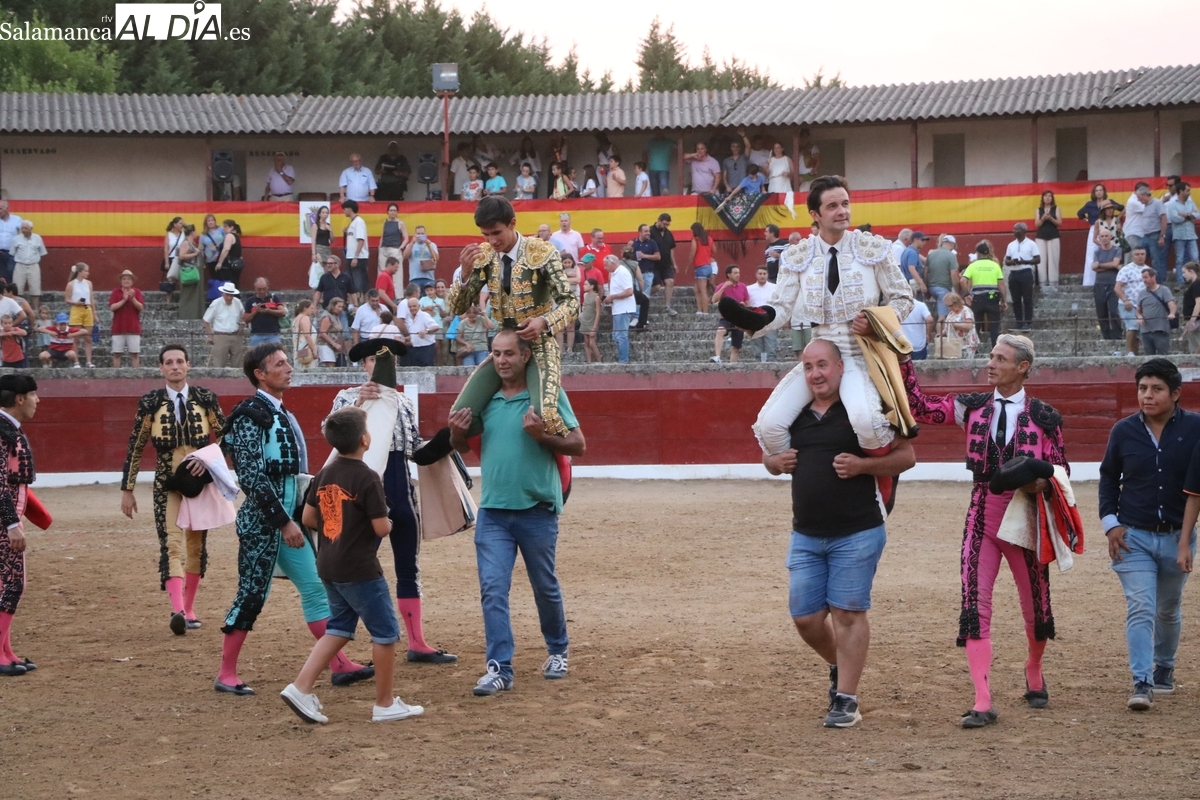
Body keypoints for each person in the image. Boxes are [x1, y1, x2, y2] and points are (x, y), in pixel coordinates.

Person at [902, 334, 1067, 728]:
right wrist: (904, 358)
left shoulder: (1046, 417)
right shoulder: (971, 407)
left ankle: (1033, 667)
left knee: (1036, 606)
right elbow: (918, 408)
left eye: (999, 358)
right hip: (982, 513)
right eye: (991, 356)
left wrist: (1039, 482)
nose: (989, 363)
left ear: (1022, 367)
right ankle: (982, 699)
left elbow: (1062, 474)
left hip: (1026, 518)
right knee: (975, 605)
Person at [765, 339, 915, 727]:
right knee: (805, 618)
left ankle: (846, 699)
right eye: (809, 367)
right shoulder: (794, 415)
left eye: (822, 365)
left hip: (858, 529)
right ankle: (840, 664)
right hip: (807, 533)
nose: (816, 374)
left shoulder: (862, 410)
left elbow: (907, 456)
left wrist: (864, 466)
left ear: (840, 367)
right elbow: (770, 458)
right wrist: (774, 462)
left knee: (848, 613)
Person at [217, 343, 372, 696]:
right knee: (252, 594)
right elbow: (252, 476)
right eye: (280, 364)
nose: (289, 368)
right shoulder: (248, 414)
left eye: (288, 362)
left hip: (289, 519)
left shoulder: (279, 411)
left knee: (316, 588)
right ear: (260, 373)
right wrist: (285, 522)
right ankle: (226, 673)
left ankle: (339, 663)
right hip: (262, 522)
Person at [720, 175, 914, 456]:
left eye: (845, 204)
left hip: (860, 353)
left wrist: (876, 321)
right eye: (833, 206)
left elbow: (903, 297)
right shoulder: (797, 256)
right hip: (818, 354)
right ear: (815, 214)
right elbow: (781, 307)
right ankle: (813, 471)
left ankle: (877, 478)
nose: (842, 211)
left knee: (868, 422)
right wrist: (755, 318)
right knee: (769, 427)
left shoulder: (873, 248)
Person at [447, 328, 586, 696]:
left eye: (509, 353)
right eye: (495, 353)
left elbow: (579, 443)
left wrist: (542, 436)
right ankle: (499, 668)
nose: (502, 360)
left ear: (526, 356)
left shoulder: (546, 397)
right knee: (492, 589)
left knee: (545, 586)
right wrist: (456, 434)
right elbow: (462, 447)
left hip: (537, 508)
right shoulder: (486, 401)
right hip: (493, 510)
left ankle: (557, 650)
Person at [281, 405, 424, 724]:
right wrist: (384, 517)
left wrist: (339, 528)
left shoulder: (324, 474)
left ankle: (300, 687)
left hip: (328, 564)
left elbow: (307, 518)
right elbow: (381, 528)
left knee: (339, 628)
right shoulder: (368, 478)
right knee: (385, 633)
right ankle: (385, 703)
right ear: (365, 440)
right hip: (359, 568)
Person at [328, 339, 459, 662]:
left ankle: (417, 643)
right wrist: (359, 403)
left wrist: (450, 437)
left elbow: (415, 449)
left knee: (408, 568)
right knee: (357, 565)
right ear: (364, 365)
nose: (380, 366)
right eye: (372, 360)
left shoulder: (403, 402)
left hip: (401, 491)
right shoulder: (346, 397)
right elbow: (333, 436)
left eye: (384, 361)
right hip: (361, 493)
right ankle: (341, 653)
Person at [1099, 358, 1200, 710]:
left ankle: (1165, 667)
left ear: (1175, 393)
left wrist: (1186, 542)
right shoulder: (1123, 431)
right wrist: (1110, 523)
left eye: (1156, 389)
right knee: (1141, 606)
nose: (1147, 396)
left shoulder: (1196, 428)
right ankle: (1141, 681)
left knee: (1168, 610)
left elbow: (1196, 490)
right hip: (1134, 536)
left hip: (1176, 536)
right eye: (1142, 388)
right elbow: (1109, 478)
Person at [120, 343, 226, 634]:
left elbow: (227, 435)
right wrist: (127, 489)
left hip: (200, 481)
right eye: (169, 362)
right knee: (172, 543)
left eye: (180, 361)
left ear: (188, 365)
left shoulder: (205, 398)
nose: (175, 366)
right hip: (167, 483)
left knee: (196, 545)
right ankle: (177, 609)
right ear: (161, 368)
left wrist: (209, 463)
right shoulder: (151, 403)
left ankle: (189, 609)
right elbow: (136, 446)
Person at [0, 375, 39, 676]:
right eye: (34, 395)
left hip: (9, 517)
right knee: (12, 584)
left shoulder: (8, 429)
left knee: (7, 584)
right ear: (20, 399)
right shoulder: (2, 432)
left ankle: (6, 650)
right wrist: (12, 523)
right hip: (4, 521)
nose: (38, 400)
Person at [1077, 183, 1123, 289]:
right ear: (1094, 193)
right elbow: (1080, 213)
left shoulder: (1109, 202)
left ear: (1104, 192)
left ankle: (1110, 279)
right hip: (1095, 229)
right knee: (1091, 255)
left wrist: (1118, 218)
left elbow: (1122, 208)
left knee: (1109, 254)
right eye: (1096, 190)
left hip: (1108, 229)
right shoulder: (1090, 204)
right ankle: (1089, 282)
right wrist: (1088, 220)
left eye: (1100, 190)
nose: (1098, 192)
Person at [961, 241, 1006, 348]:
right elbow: (1002, 285)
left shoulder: (973, 265)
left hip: (977, 298)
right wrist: (1004, 300)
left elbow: (962, 280)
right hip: (993, 298)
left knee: (976, 325)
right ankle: (995, 348)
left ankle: (974, 348)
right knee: (994, 325)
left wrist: (967, 294)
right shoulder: (995, 265)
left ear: (978, 253)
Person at [1124, 183, 1169, 283]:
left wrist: (1162, 236)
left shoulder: (1157, 203)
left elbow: (1164, 219)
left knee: (1156, 260)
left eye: (1139, 197)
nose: (1139, 200)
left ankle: (1159, 283)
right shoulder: (1144, 205)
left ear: (1145, 195)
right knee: (1139, 257)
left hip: (1155, 235)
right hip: (1145, 236)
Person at [1004, 223, 1041, 331]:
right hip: (1014, 273)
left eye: (1017, 229)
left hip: (1026, 272)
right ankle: (1018, 322)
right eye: (1014, 229)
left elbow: (1038, 259)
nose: (1014, 231)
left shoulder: (1031, 244)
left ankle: (1028, 322)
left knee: (1027, 298)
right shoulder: (1011, 245)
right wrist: (1012, 262)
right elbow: (1006, 260)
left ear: (1024, 231)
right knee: (1016, 300)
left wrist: (1025, 261)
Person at [1091, 228, 1124, 342]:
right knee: (1101, 313)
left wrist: (1100, 265)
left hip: (1113, 284)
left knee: (1114, 311)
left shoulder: (1117, 249)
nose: (1104, 238)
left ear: (1110, 237)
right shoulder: (1097, 251)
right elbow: (1094, 267)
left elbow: (1115, 263)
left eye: (1106, 236)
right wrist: (1111, 266)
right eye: (1102, 236)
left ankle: (1118, 336)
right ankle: (1107, 337)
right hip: (1099, 284)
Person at [202, 283, 246, 368]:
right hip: (220, 336)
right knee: (219, 364)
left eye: (231, 295)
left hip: (235, 335)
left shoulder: (237, 302)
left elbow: (243, 316)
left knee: (238, 364)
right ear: (222, 294)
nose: (229, 297)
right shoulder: (216, 303)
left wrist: (241, 327)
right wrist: (210, 336)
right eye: (227, 295)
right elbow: (206, 320)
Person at [1115, 249, 1149, 357]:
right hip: (1128, 303)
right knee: (1132, 326)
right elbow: (1117, 287)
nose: (1140, 256)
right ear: (1133, 256)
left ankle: (1135, 352)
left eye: (1142, 254)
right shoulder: (1126, 270)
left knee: (1139, 330)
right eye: (1137, 254)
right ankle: (1129, 352)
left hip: (1142, 305)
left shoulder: (1148, 270)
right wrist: (1125, 300)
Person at [711, 265, 749, 363]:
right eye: (735, 273)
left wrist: (743, 305)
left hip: (739, 319)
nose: (738, 275)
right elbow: (714, 300)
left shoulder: (743, 286)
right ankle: (717, 356)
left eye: (738, 273)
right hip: (726, 317)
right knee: (720, 331)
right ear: (728, 275)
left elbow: (747, 302)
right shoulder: (721, 286)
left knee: (736, 348)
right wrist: (723, 287)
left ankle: (733, 367)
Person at [603, 254, 636, 364]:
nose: (605, 268)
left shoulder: (622, 272)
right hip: (618, 308)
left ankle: (623, 360)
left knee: (621, 336)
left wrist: (612, 297)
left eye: (606, 265)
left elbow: (629, 291)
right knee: (617, 336)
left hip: (623, 309)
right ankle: (622, 359)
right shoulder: (614, 273)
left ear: (612, 263)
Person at [1136, 267, 1176, 356]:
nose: (1144, 280)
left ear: (1153, 277)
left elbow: (1171, 304)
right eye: (1143, 278)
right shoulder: (1142, 293)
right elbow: (1138, 310)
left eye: (1146, 277)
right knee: (1148, 357)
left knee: (1163, 355)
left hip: (1160, 329)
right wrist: (1139, 316)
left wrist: (1172, 313)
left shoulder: (1164, 290)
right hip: (1145, 330)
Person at [109, 269, 144, 368]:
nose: (126, 281)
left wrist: (133, 298)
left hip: (133, 327)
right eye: (124, 279)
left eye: (128, 279)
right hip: (118, 328)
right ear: (121, 281)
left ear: (132, 281)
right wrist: (124, 300)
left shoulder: (137, 292)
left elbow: (140, 307)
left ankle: (136, 375)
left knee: (135, 354)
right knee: (117, 354)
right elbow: (112, 307)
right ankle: (116, 376)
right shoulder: (116, 292)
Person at [1166, 182, 1199, 283]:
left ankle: (1197, 281)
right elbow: (1175, 219)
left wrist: (1185, 215)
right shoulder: (1172, 204)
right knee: (1179, 259)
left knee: (1195, 258)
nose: (1189, 193)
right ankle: (1181, 281)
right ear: (1181, 191)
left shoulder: (1190, 203)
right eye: (1187, 190)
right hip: (1179, 236)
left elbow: (1198, 215)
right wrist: (1190, 216)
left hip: (1191, 235)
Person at [64, 262, 95, 368]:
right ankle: (76, 362)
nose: (87, 273)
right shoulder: (71, 284)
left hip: (87, 309)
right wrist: (76, 302)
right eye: (86, 271)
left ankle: (89, 362)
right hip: (76, 309)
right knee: (76, 338)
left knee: (88, 338)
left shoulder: (89, 283)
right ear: (80, 272)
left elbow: (91, 299)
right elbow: (67, 299)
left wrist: (94, 313)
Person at [10, 221, 44, 310]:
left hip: (34, 265)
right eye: (22, 228)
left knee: (35, 288)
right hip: (20, 265)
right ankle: (17, 308)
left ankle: (36, 309)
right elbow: (12, 252)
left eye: (25, 228)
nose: (23, 230)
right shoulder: (16, 239)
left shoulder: (37, 238)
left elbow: (42, 252)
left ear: (31, 229)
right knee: (17, 288)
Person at [745, 267, 777, 362]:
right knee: (757, 349)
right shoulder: (749, 289)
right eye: (760, 274)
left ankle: (772, 371)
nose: (762, 276)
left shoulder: (774, 288)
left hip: (770, 320)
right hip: (755, 321)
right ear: (756, 275)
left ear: (767, 275)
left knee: (771, 347)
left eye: (764, 274)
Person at [176, 224, 207, 321]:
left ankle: (196, 314)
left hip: (196, 272)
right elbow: (181, 256)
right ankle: (187, 315)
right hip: (189, 272)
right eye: (195, 231)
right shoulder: (186, 243)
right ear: (192, 232)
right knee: (188, 294)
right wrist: (195, 253)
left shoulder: (192, 243)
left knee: (195, 294)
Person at [649, 213, 678, 316]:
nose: (665, 226)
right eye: (664, 224)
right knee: (656, 287)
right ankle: (641, 296)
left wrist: (674, 264)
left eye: (667, 225)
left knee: (670, 282)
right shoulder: (650, 231)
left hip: (666, 264)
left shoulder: (668, 233)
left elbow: (671, 250)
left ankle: (667, 306)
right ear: (659, 220)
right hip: (654, 264)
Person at [925, 234, 960, 318]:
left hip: (931, 287)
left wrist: (927, 288)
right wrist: (957, 290)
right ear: (952, 244)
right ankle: (940, 331)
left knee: (935, 311)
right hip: (943, 288)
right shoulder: (951, 255)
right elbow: (954, 275)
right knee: (943, 316)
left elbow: (925, 272)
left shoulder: (931, 254)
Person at [341, 200, 369, 304]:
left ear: (349, 208)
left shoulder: (359, 222)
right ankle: (354, 305)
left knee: (360, 284)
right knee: (351, 284)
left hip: (358, 257)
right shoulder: (352, 223)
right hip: (351, 256)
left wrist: (356, 257)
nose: (344, 211)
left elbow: (361, 240)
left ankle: (363, 304)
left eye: (345, 208)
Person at [243, 278, 285, 347]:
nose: (262, 291)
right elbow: (245, 320)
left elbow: (283, 312)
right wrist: (256, 311)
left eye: (264, 288)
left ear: (268, 287)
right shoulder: (250, 301)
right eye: (259, 289)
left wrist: (269, 311)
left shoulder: (274, 298)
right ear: (255, 288)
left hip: (273, 335)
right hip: (257, 335)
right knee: (257, 356)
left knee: (274, 356)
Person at [1034, 191, 1063, 289]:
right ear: (1042, 198)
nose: (1047, 198)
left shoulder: (1056, 208)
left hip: (1053, 236)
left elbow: (1059, 222)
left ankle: (1053, 283)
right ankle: (1042, 283)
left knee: (1053, 260)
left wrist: (1050, 218)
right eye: (1045, 196)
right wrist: (1042, 219)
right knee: (1041, 260)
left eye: (1049, 196)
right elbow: (1037, 224)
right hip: (1041, 236)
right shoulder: (1039, 210)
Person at [941, 292, 979, 358]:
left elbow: (969, 326)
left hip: (967, 345)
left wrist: (955, 325)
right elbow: (947, 327)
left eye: (950, 306)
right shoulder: (951, 313)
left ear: (956, 303)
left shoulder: (966, 311)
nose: (949, 308)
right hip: (955, 345)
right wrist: (941, 334)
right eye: (948, 306)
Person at [403, 225, 439, 293]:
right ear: (415, 235)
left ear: (426, 235)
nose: (420, 235)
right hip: (414, 278)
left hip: (429, 278)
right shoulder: (410, 245)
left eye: (422, 234)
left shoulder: (432, 245)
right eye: (418, 234)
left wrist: (428, 245)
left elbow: (436, 258)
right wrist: (412, 243)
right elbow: (405, 257)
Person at [405, 296, 439, 367]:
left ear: (419, 306)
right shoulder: (408, 318)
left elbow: (436, 327)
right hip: (414, 348)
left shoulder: (424, 315)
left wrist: (426, 331)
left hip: (426, 348)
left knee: (428, 370)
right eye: (410, 307)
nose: (412, 308)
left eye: (414, 306)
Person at [690, 222, 715, 315]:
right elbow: (714, 250)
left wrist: (688, 266)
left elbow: (692, 253)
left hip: (700, 266)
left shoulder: (695, 240)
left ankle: (705, 311)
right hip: (708, 266)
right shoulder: (709, 239)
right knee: (696, 289)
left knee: (703, 291)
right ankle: (700, 310)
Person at [377, 203, 408, 277]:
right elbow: (383, 236)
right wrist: (379, 248)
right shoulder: (385, 222)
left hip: (395, 249)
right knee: (382, 272)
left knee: (396, 274)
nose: (393, 212)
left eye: (394, 210)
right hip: (384, 249)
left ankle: (397, 289)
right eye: (391, 210)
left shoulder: (400, 223)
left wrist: (400, 248)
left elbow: (406, 238)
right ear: (387, 212)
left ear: (397, 212)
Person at [213, 219, 244, 288]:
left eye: (225, 226)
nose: (223, 228)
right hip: (235, 265)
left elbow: (226, 249)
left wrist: (219, 262)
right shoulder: (236, 236)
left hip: (228, 266)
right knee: (235, 284)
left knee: (228, 286)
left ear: (231, 227)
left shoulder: (229, 236)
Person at [317, 298, 347, 367]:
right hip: (326, 345)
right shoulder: (327, 317)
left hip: (335, 346)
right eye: (338, 306)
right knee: (331, 366)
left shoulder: (336, 316)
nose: (340, 309)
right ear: (333, 306)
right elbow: (322, 333)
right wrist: (334, 344)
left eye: (342, 307)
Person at [900, 231, 928, 300]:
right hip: (913, 285)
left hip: (907, 283)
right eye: (922, 240)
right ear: (915, 240)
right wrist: (921, 283)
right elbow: (911, 269)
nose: (924, 243)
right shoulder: (912, 253)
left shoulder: (906, 250)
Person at [579, 278, 602, 363]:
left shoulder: (596, 297)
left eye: (586, 284)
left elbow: (598, 313)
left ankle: (599, 361)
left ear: (592, 286)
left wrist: (594, 327)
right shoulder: (585, 295)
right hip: (585, 320)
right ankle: (589, 362)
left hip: (592, 322)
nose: (583, 286)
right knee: (586, 342)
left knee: (592, 343)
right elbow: (585, 305)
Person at [0, 201, 23, 283]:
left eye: (1, 209)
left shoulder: (17, 219)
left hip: (12, 253)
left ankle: (9, 293)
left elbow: (24, 232)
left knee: (11, 272)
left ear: (6, 209)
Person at [1180, 263, 1200, 354]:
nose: (1183, 275)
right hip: (1194, 321)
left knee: (1196, 348)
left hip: (1197, 321)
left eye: (1184, 272)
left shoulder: (1197, 284)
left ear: (1191, 271)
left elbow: (1198, 303)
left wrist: (1192, 320)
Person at [292, 299, 317, 371]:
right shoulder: (305, 318)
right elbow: (307, 335)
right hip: (306, 350)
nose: (312, 310)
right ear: (305, 308)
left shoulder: (296, 319)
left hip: (298, 350)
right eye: (311, 308)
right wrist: (314, 350)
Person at [199, 214, 225, 281]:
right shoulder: (203, 235)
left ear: (215, 221)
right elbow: (201, 249)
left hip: (222, 257)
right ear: (206, 223)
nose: (210, 222)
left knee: (222, 277)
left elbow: (227, 241)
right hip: (211, 259)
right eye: (208, 221)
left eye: (212, 220)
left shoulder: (221, 230)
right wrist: (202, 262)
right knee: (214, 278)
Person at [163, 216, 185, 283]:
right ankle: (170, 292)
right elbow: (166, 249)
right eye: (180, 223)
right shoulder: (169, 234)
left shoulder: (184, 234)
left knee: (182, 276)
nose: (182, 225)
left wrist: (185, 225)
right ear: (175, 225)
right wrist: (167, 262)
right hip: (172, 258)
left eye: (182, 224)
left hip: (181, 258)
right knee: (170, 277)